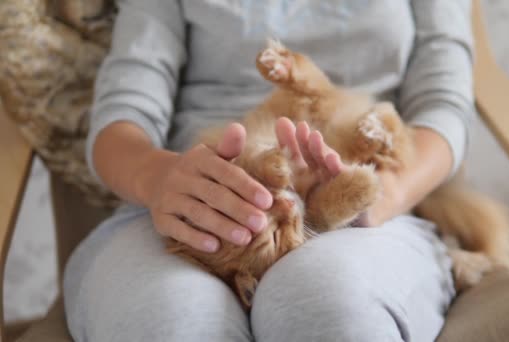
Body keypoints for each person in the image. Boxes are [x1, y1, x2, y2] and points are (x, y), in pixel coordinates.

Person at [63, 1, 475, 341]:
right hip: (192, 202)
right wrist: (161, 179)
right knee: (172, 319)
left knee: (326, 303)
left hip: (370, 189)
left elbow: (443, 105)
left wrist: (383, 193)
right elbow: (121, 116)